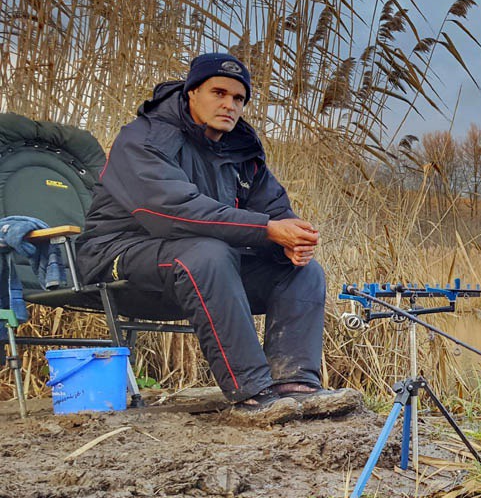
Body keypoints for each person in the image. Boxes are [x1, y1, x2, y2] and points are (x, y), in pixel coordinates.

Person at [76, 52, 335, 418]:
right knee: (207, 254)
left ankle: (296, 385)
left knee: (303, 272)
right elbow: (171, 213)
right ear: (191, 92)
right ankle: (253, 394)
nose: (229, 105)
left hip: (201, 271)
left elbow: (275, 209)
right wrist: (266, 230)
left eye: (238, 99)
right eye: (219, 93)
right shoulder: (144, 137)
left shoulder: (241, 150)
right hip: (118, 257)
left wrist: (293, 242)